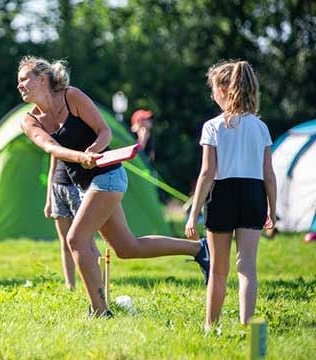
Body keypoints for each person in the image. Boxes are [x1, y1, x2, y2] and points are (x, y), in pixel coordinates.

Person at [17, 56, 210, 318]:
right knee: (127, 248)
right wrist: (81, 158)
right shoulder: (29, 121)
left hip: (109, 176)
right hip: (87, 183)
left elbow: (104, 131)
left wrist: (93, 151)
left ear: (42, 78)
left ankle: (100, 311)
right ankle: (198, 249)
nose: (20, 86)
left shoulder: (71, 96)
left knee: (75, 239)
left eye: (24, 79)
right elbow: (51, 147)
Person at [184, 60, 276, 332]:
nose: (212, 94)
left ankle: (211, 327)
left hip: (222, 195)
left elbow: (206, 173)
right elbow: (269, 175)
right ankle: (247, 327)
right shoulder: (261, 128)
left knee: (218, 270)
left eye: (213, 89)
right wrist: (272, 209)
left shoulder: (213, 126)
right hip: (253, 194)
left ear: (224, 89)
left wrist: (193, 214)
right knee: (246, 267)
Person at [45, 155, 100, 290]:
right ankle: (70, 285)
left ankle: (99, 284)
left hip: (78, 188)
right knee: (65, 242)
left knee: (86, 241)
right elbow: (52, 168)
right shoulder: (54, 137)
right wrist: (49, 200)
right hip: (58, 188)